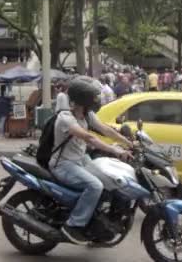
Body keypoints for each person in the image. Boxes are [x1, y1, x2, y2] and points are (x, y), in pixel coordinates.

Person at [50, 76, 133, 244]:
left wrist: (129, 142)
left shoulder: (87, 115)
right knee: (95, 186)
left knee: (109, 178)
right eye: (94, 97)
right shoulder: (65, 118)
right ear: (84, 99)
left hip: (81, 160)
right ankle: (73, 226)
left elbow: (105, 130)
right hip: (64, 164)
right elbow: (89, 138)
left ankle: (97, 223)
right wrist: (114, 150)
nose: (97, 100)